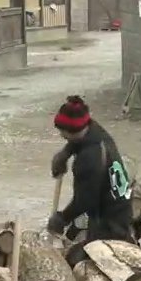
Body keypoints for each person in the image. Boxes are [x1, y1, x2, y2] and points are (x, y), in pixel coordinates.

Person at [47, 96, 133, 246]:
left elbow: (85, 200)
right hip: (118, 204)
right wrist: (65, 154)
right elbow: (78, 141)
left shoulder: (89, 159)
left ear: (71, 131)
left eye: (62, 132)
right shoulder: (94, 129)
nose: (61, 135)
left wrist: (62, 218)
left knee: (99, 258)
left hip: (109, 220)